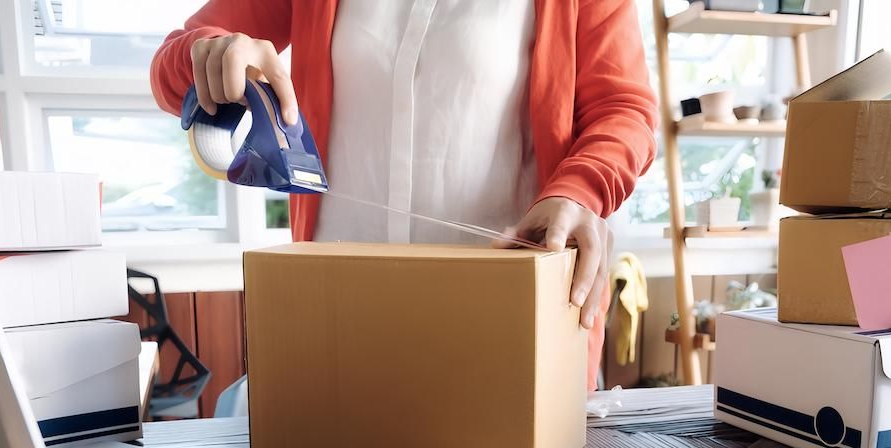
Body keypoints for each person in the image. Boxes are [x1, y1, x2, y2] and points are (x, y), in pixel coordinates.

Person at [151, 0, 658, 388]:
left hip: (513, 336)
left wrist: (579, 190)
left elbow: (625, 108)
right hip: (336, 331)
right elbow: (172, 69)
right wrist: (212, 54)